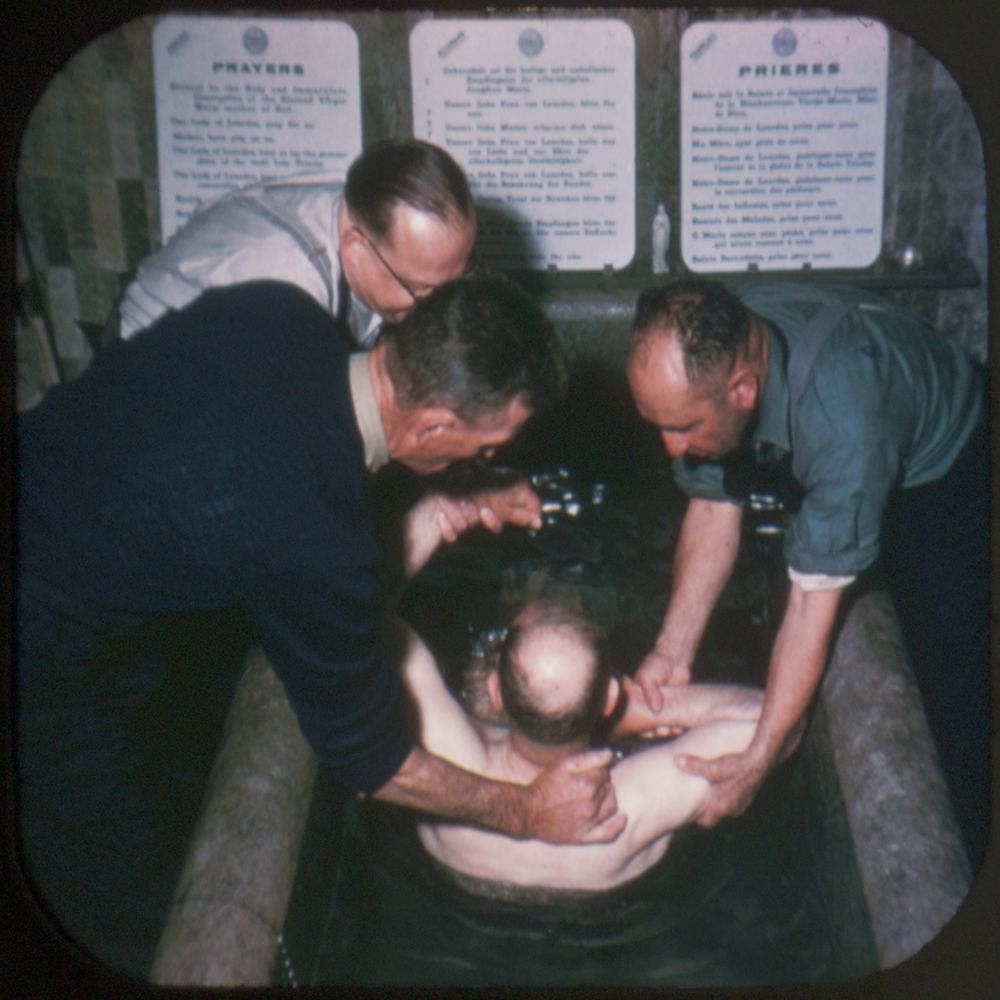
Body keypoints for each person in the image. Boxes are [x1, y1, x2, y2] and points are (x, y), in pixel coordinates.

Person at [15, 272, 624, 977]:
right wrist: (525, 811)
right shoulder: (313, 526)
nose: (483, 463)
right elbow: (370, 761)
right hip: (41, 639)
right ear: (433, 426)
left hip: (46, 476)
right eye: (484, 449)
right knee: (135, 908)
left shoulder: (280, 310)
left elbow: (283, 475)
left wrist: (445, 498)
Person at [625, 279, 989, 867]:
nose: (671, 448)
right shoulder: (722, 342)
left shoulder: (842, 421)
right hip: (859, 419)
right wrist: (672, 652)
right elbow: (715, 506)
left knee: (950, 680)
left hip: (958, 467)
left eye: (684, 427)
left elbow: (807, 605)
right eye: (657, 425)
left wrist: (761, 755)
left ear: (743, 391)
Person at [391, 597, 763, 895]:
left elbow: (371, 625)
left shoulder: (445, 766)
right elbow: (771, 724)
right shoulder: (626, 808)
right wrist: (648, 709)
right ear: (609, 698)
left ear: (495, 693)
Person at [115, 138, 477, 344]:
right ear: (356, 248)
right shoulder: (288, 285)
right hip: (149, 355)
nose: (435, 308)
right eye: (422, 291)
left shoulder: (367, 196)